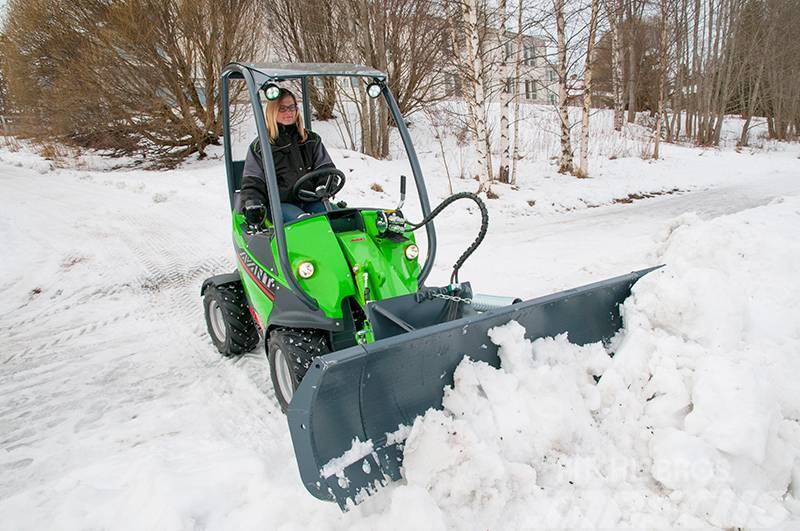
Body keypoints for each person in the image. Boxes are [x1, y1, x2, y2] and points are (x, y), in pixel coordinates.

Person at [240, 88, 338, 223]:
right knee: (305, 223)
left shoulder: (311, 140)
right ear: (272, 112)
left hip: (312, 199)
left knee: (339, 219)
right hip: (280, 204)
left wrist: (325, 187)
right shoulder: (261, 146)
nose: (289, 112)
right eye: (282, 109)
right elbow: (253, 182)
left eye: (292, 107)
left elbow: (326, 169)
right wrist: (252, 202)